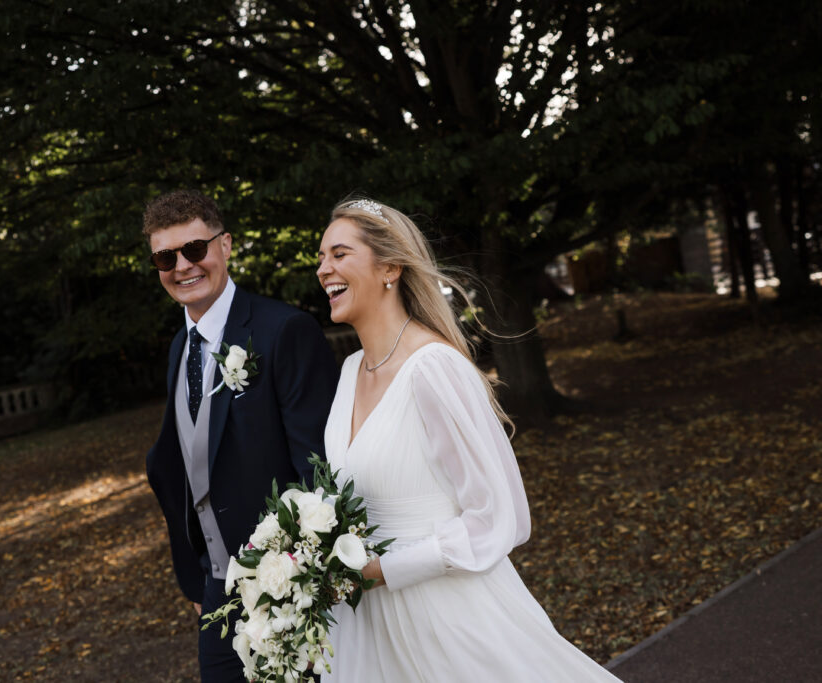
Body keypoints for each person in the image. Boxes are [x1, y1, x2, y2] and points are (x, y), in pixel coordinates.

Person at [315, 198, 622, 682]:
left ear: (390, 266)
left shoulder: (433, 368)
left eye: (338, 254)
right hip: (365, 626)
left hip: (444, 618)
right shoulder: (350, 371)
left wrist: (383, 570)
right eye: (320, 257)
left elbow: (497, 517)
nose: (323, 269)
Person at [144, 190, 339, 682]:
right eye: (166, 257)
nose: (182, 266)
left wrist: (305, 592)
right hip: (215, 589)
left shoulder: (284, 330)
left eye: (195, 249)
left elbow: (317, 470)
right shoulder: (178, 348)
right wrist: (198, 575)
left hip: (285, 584)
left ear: (226, 245)